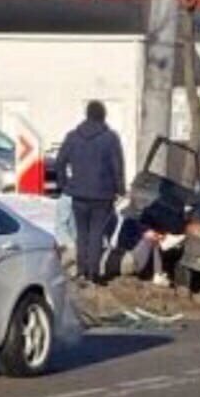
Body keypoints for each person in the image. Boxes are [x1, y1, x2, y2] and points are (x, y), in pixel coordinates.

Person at [55, 100, 126, 283]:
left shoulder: (72, 136)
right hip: (102, 195)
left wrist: (64, 185)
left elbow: (60, 162)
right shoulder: (110, 138)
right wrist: (120, 189)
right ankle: (93, 273)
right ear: (103, 116)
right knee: (96, 234)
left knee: (82, 233)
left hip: (78, 193)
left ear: (87, 115)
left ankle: (81, 271)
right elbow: (117, 166)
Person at [97, 209, 168, 286]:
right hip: (123, 264)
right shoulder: (126, 223)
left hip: (105, 265)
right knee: (151, 239)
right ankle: (158, 274)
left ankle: (157, 274)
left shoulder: (97, 226)